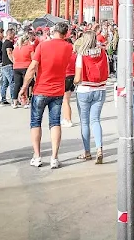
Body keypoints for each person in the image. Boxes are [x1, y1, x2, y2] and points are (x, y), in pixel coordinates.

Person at [20, 22, 73, 168]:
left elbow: (32, 68)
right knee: (55, 122)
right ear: (66, 33)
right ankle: (54, 157)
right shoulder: (68, 47)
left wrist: (24, 87)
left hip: (41, 88)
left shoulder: (43, 46)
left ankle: (37, 156)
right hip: (57, 90)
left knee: (35, 122)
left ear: (53, 31)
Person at [73, 30, 109, 163]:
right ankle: (99, 148)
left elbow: (77, 77)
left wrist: (74, 83)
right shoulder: (102, 53)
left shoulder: (81, 55)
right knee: (95, 120)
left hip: (84, 89)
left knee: (85, 122)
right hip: (100, 88)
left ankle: (87, 152)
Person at [10, 27, 36, 108]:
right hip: (26, 67)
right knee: (26, 84)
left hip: (16, 67)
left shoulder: (16, 49)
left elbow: (14, 58)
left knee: (17, 84)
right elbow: (33, 58)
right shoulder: (29, 47)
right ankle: (26, 101)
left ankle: (14, 101)